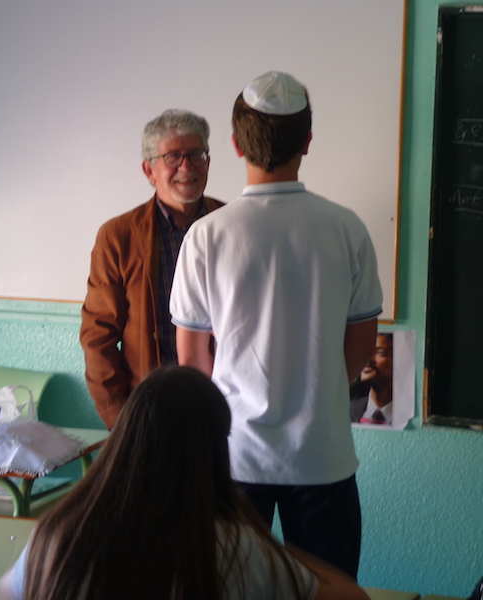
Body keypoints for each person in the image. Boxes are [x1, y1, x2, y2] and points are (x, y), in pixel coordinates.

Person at [170, 71, 383, 579]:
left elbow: (193, 360)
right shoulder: (346, 229)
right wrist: (319, 389)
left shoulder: (206, 236)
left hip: (235, 457)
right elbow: (361, 344)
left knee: (229, 587)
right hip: (322, 454)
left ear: (235, 144)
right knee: (329, 589)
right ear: (307, 141)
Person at [0, 366, 370, 600]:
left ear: (126, 437)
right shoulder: (239, 549)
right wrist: (280, 550)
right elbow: (354, 598)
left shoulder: (57, 535)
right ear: (214, 450)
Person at [80, 109, 224, 429]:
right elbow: (98, 338)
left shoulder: (234, 225)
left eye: (196, 154)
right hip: (150, 410)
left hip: (223, 405)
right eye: (173, 157)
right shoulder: (118, 237)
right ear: (149, 170)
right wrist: (122, 420)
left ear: (208, 162)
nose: (187, 166)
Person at [350, 333, 394, 425]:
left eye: (380, 353)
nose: (368, 359)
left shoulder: (412, 414)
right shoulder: (347, 410)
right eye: (364, 352)